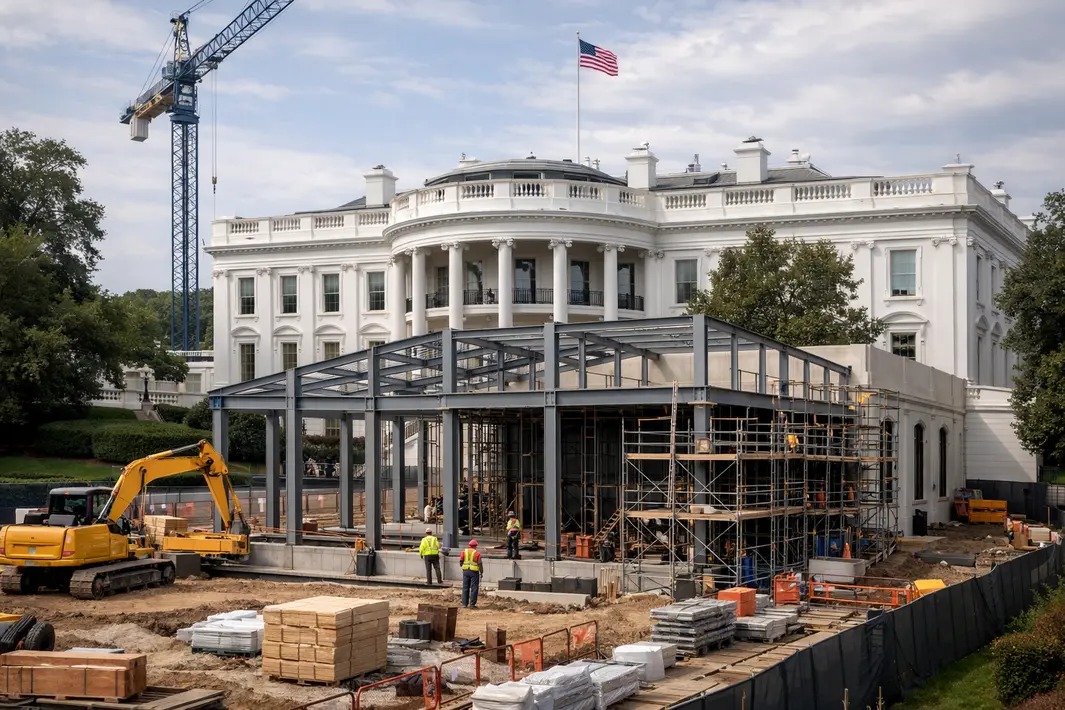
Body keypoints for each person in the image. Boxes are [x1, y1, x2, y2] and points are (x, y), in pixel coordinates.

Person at [460, 539, 482, 609]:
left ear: (469, 545)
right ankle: (472, 604)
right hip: (474, 572)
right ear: (475, 546)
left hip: (466, 571)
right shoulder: (477, 554)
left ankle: (464, 604)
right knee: (474, 588)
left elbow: (461, 561)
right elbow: (480, 564)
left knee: (465, 588)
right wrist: (481, 572)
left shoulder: (464, 552)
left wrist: (463, 567)